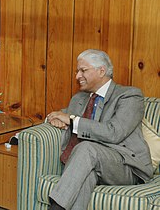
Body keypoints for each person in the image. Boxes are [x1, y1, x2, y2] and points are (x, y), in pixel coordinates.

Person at [45, 49, 153, 210]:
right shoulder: (79, 98)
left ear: (101, 71)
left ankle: (56, 207)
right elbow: (62, 115)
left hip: (126, 166)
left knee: (86, 148)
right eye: (77, 71)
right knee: (86, 175)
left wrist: (72, 120)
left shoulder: (130, 96)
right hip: (91, 163)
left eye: (83, 70)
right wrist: (52, 118)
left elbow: (114, 132)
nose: (77, 76)